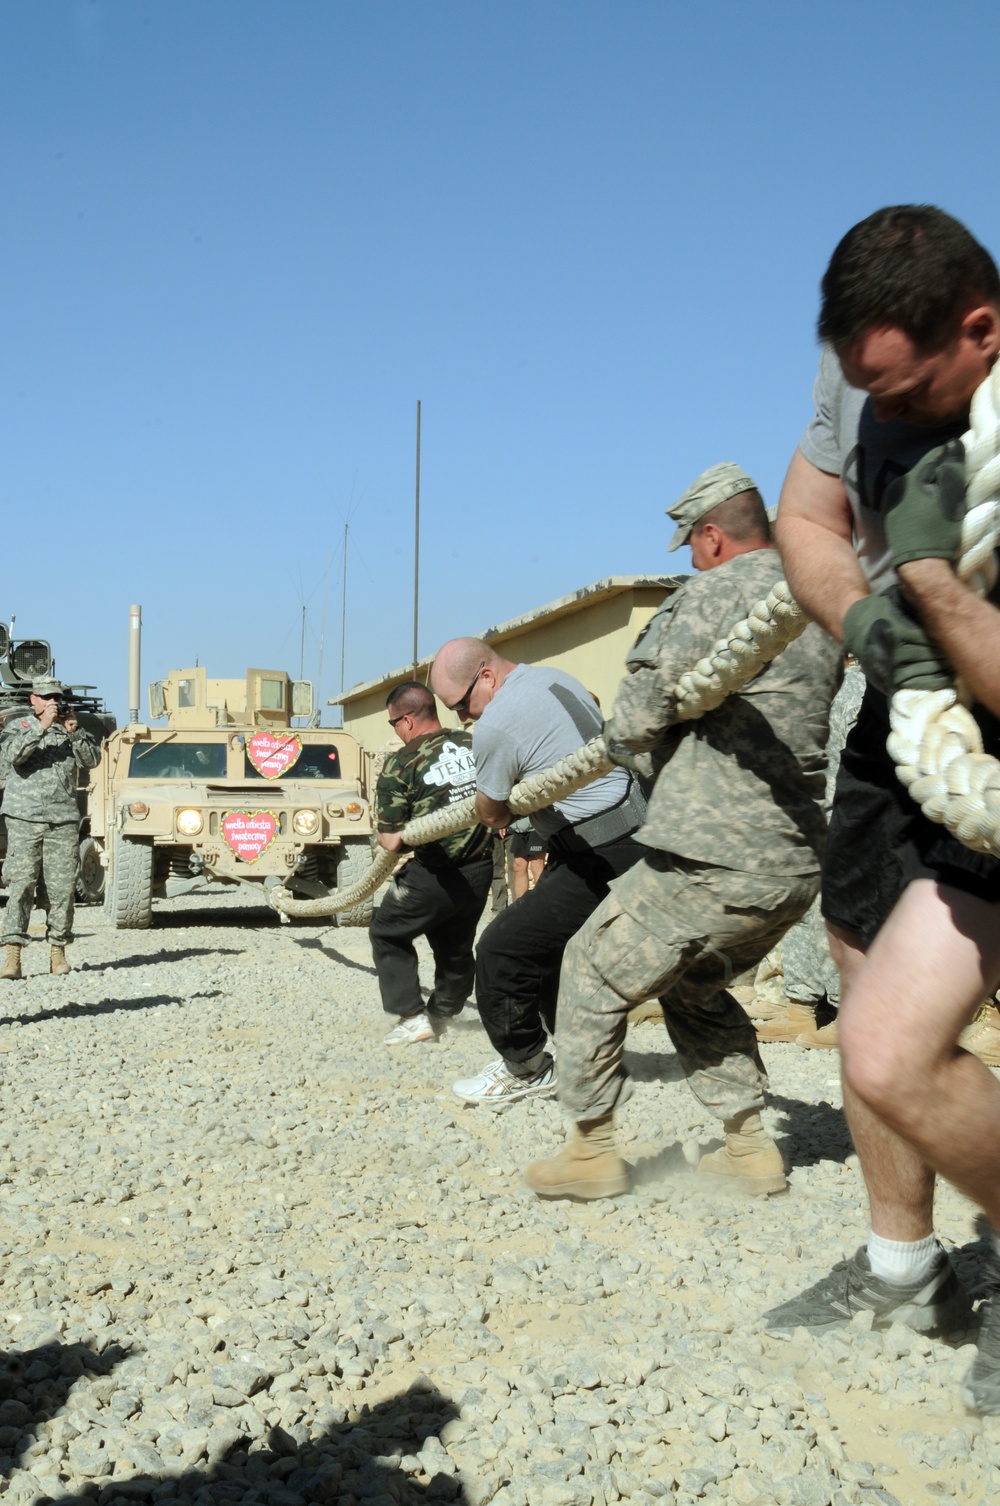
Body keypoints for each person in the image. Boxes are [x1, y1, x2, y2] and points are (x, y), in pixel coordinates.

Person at [763, 205, 1000, 1415]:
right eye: (868, 393)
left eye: (906, 395)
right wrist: (861, 620)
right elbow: (806, 521)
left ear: (980, 329)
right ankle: (906, 1265)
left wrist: (931, 588)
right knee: (867, 988)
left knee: (915, 1037)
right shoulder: (862, 361)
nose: (883, 416)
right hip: (902, 717)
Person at [523, 464, 840, 1199]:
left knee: (592, 967)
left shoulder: (708, 595)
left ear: (712, 535)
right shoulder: (817, 605)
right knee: (694, 984)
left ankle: (591, 1150)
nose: (692, 560)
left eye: (693, 546)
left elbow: (632, 720)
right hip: (790, 864)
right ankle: (748, 1145)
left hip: (710, 856)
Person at [429, 639, 647, 1106]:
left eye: (461, 705)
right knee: (552, 949)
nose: (462, 719)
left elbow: (491, 814)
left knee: (501, 950)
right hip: (623, 831)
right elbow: (589, 703)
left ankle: (526, 1066)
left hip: (602, 850)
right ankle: (583, 1058)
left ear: (485, 676)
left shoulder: (496, 725)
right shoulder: (555, 676)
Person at [369, 681, 493, 1045]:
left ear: (406, 720)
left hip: (435, 872)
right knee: (455, 943)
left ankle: (411, 1016)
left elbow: (391, 840)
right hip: (480, 868)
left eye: (393, 723)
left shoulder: (402, 762)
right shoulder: (476, 744)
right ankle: (442, 1014)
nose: (396, 730)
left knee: (387, 931)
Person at [754, 661, 865, 1048]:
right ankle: (802, 1007)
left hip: (844, 814)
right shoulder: (833, 685)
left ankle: (837, 1011)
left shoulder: (850, 688)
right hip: (821, 810)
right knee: (813, 911)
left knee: (840, 912)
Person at [0, 677, 99, 979]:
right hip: (24, 817)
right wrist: (42, 726)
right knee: (21, 885)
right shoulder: (19, 728)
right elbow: (14, 756)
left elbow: (92, 759)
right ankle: (12, 957)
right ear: (34, 700)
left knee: (62, 889)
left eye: (57, 697)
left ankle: (58, 952)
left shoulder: (71, 731)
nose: (54, 702)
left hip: (63, 820)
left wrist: (76, 731)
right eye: (47, 697)